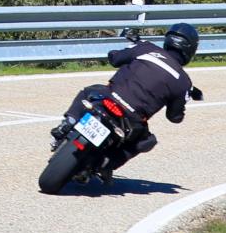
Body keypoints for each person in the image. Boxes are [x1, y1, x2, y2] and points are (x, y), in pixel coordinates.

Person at [52, 22, 205, 181]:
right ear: (190, 49)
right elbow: (175, 117)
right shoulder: (183, 82)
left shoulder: (147, 48)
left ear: (168, 40)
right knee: (148, 141)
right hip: (132, 120)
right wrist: (182, 98)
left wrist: (120, 52)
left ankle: (67, 123)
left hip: (108, 98)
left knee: (87, 92)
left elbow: (115, 58)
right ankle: (106, 164)